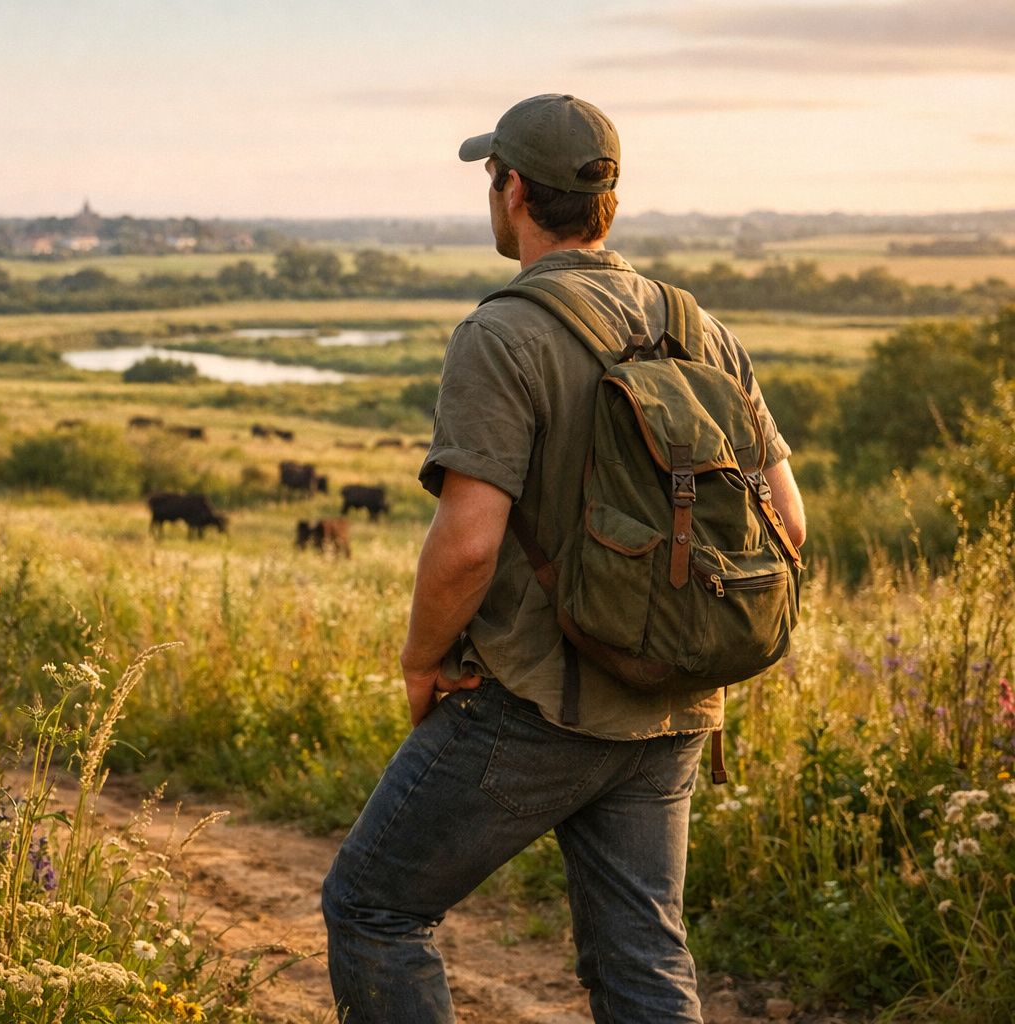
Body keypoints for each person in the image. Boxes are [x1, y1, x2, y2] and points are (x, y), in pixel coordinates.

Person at [321, 94, 807, 1023]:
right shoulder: (694, 323)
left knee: (374, 907)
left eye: (491, 178)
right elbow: (788, 518)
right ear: (605, 199)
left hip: (536, 705)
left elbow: (465, 546)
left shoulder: (500, 333)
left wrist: (424, 661)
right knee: (642, 957)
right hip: (675, 704)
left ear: (510, 190)